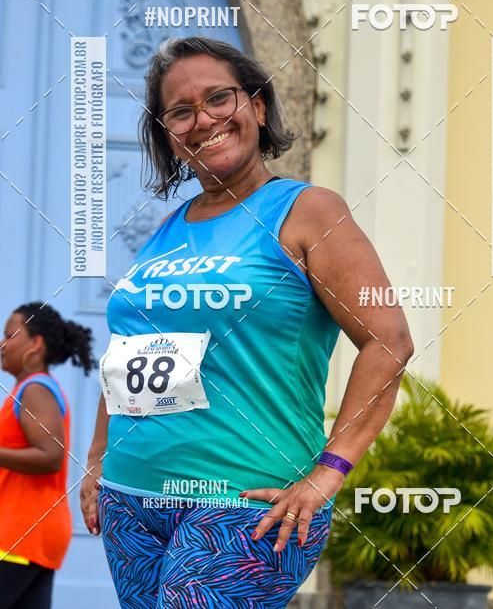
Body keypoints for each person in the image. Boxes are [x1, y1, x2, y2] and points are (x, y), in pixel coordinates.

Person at [80, 35, 414, 608]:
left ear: (257, 107)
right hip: (132, 501)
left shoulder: (308, 211)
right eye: (179, 111)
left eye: (218, 99)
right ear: (167, 133)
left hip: (244, 505)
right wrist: (96, 459)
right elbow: (134, 351)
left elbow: (389, 342)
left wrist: (328, 474)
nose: (202, 119)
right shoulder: (168, 228)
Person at [0, 301, 94, 609]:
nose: (2, 344)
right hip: (32, 532)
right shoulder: (28, 389)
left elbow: (51, 455)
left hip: (18, 532)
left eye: (10, 335)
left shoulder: (35, 390)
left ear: (35, 343)